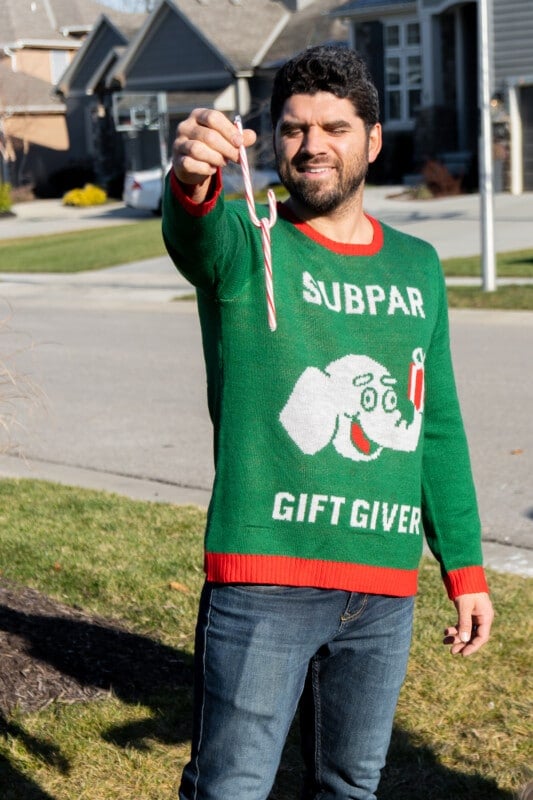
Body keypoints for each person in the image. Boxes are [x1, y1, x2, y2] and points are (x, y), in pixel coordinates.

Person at [162, 44, 494, 800]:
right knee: (230, 788)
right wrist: (190, 176)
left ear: (372, 141)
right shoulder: (249, 242)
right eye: (292, 128)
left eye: (334, 127)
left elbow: (433, 423)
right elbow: (193, 228)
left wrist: (464, 569)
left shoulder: (417, 266)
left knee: (350, 786)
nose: (310, 145)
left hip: (381, 588)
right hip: (263, 580)